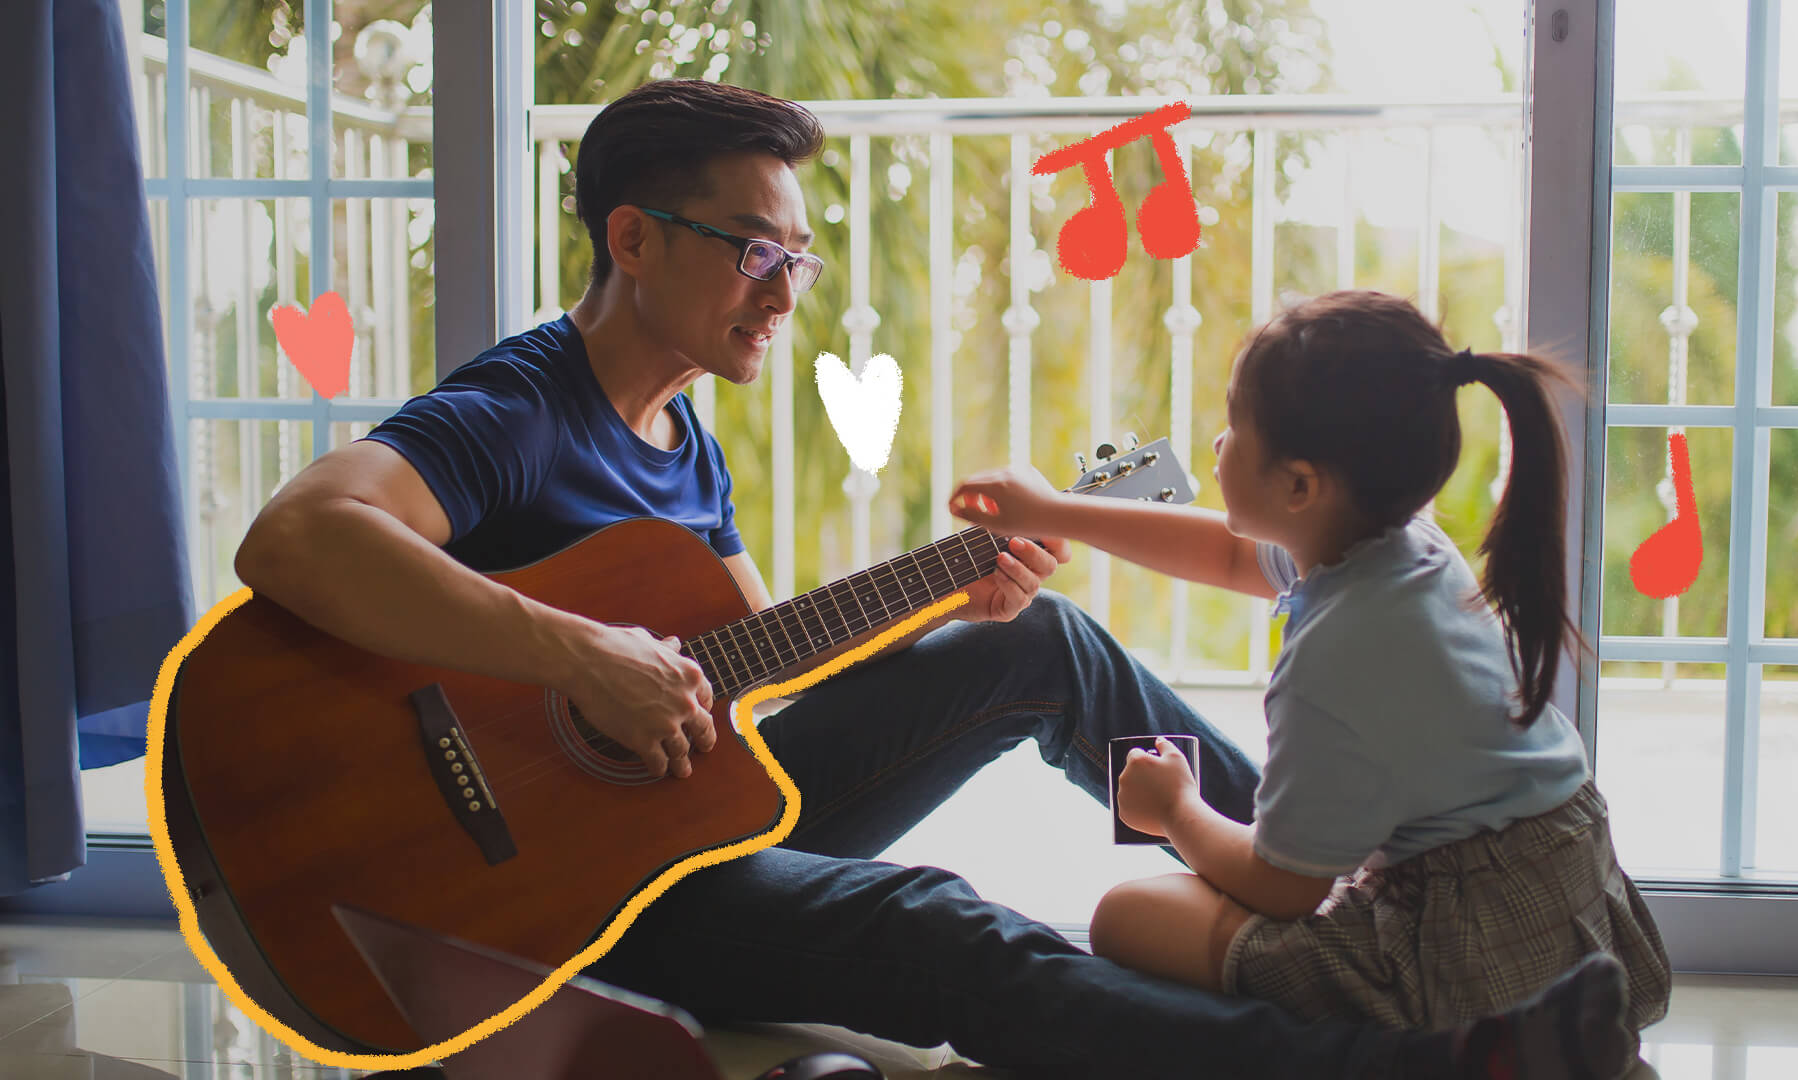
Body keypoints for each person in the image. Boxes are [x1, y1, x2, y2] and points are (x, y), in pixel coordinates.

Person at [234, 79, 1642, 1079]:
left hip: (665, 813)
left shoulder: (679, 436)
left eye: (797, 252)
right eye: (755, 250)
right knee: (940, 923)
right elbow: (296, 538)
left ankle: (1322, 897)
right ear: (634, 239)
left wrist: (943, 606)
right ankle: (1394, 1063)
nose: (786, 287)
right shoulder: (517, 409)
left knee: (1051, 651)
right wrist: (575, 656)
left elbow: (747, 675)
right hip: (555, 901)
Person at [950, 290, 1673, 1052]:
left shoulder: (1335, 648)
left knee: (1126, 918)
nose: (1218, 446)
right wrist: (1055, 512)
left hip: (1461, 941)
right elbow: (1226, 553)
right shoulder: (1407, 550)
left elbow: (1284, 890)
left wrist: (1175, 811)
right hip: (1565, 889)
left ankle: (1400, 1056)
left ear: (1299, 485)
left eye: (1235, 429)